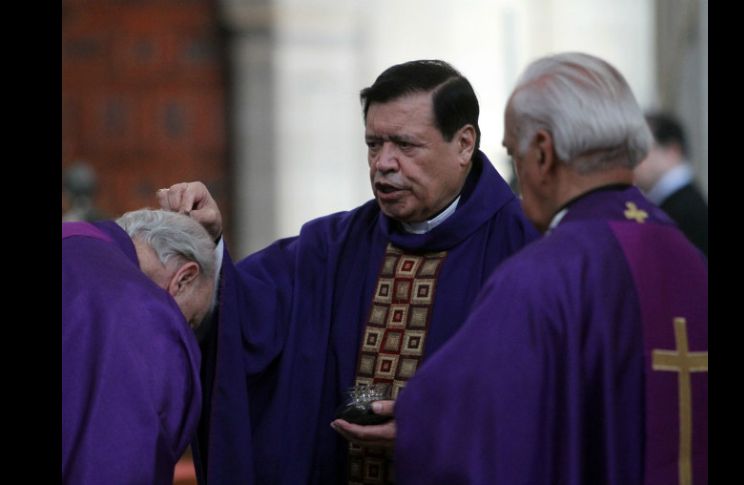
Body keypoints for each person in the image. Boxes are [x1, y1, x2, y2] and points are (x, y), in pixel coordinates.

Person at [158, 60, 539, 485]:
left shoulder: (527, 249)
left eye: (406, 145)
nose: (384, 164)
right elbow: (243, 318)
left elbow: (547, 397)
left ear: (464, 144)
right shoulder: (331, 247)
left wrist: (439, 429)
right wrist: (209, 242)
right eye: (374, 144)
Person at [394, 52, 708, 485]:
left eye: (512, 156)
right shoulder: (689, 257)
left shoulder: (545, 276)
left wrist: (411, 414)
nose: (516, 177)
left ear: (542, 153)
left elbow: (458, 428)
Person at [62, 209, 217, 484]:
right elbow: (118, 462)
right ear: (183, 280)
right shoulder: (142, 313)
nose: (183, 330)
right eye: (190, 322)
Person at [633, 112, 708, 257]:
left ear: (672, 151)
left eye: (641, 148)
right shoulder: (678, 203)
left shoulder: (684, 211)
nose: (633, 159)